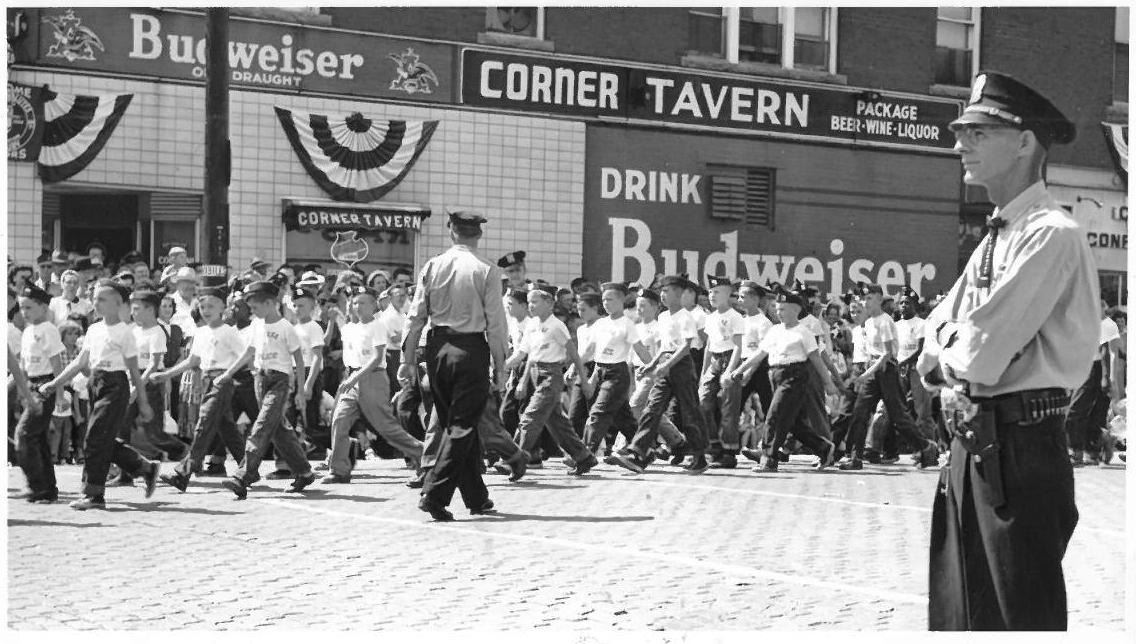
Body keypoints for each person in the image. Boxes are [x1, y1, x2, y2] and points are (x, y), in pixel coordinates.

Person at [919, 71, 1098, 630]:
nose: (959, 144)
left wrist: (950, 347)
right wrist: (951, 345)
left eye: (977, 132)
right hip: (975, 441)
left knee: (1018, 613)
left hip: (1019, 446)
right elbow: (932, 335)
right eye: (960, 131)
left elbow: (978, 353)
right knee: (961, 608)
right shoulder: (1000, 233)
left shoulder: (1049, 233)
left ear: (1024, 142)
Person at [401, 211, 509, 521]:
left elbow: (416, 316)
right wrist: (500, 367)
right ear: (479, 235)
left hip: (437, 350)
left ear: (452, 232)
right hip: (470, 349)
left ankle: (477, 497)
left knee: (457, 424)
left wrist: (408, 359)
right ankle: (435, 495)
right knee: (461, 426)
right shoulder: (487, 269)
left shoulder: (433, 265)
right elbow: (496, 324)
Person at [40, 280, 161, 510]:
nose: (97, 302)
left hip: (115, 385)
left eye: (103, 299)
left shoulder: (125, 332)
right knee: (100, 438)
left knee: (95, 438)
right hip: (95, 384)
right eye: (95, 298)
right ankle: (144, 468)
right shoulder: (94, 329)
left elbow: (134, 370)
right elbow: (80, 362)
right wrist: (55, 383)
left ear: (118, 303)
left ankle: (93, 494)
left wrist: (142, 400)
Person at [216, 281, 316, 499]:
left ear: (270, 303)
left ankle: (244, 475)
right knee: (278, 430)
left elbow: (299, 360)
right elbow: (248, 352)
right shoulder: (256, 326)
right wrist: (228, 373)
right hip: (260, 380)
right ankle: (304, 471)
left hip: (279, 380)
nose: (252, 312)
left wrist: (299, 390)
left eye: (255, 307)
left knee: (261, 427)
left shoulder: (285, 328)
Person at [606, 275, 710, 474]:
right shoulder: (663, 317)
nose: (663, 295)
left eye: (667, 291)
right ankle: (638, 452)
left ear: (680, 294)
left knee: (690, 412)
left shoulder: (685, 317)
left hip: (681, 366)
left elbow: (686, 347)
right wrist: (653, 364)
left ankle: (699, 456)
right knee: (652, 409)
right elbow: (664, 346)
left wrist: (667, 364)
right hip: (665, 365)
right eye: (662, 291)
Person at [730, 285, 837, 472]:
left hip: (795, 376)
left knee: (774, 415)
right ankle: (824, 448)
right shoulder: (775, 330)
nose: (779, 313)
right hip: (776, 375)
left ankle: (768, 458)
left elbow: (816, 359)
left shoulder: (804, 332)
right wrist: (740, 369)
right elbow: (760, 353)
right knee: (792, 422)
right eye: (777, 309)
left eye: (784, 309)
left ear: (796, 310)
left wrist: (828, 383)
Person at [322, 286, 422, 485]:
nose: (357, 306)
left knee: (386, 427)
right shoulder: (350, 328)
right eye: (355, 302)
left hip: (372, 379)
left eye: (363, 302)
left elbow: (377, 358)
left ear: (374, 305)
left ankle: (424, 455)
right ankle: (339, 469)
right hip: (351, 378)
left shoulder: (377, 326)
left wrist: (353, 378)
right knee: (339, 421)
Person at [155, 285, 248, 492]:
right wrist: (166, 374)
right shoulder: (201, 332)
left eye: (212, 306)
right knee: (228, 429)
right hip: (206, 380)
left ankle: (183, 472)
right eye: (203, 306)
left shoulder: (229, 332)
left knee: (204, 423)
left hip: (221, 381)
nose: (206, 310)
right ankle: (249, 467)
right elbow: (192, 361)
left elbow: (245, 357)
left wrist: (228, 375)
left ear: (223, 307)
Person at [839, 284, 938, 470]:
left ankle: (925, 447)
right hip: (873, 369)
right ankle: (855, 457)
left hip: (886, 371)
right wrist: (866, 372)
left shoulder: (884, 321)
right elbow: (872, 354)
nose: (865, 302)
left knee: (899, 416)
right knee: (860, 412)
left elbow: (885, 355)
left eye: (869, 298)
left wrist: (865, 374)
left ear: (878, 299)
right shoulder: (868, 322)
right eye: (863, 299)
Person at [507, 286, 596, 475]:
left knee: (530, 416)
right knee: (556, 423)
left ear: (549, 303)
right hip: (534, 373)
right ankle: (583, 457)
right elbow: (524, 355)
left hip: (551, 375)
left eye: (535, 302)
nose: (531, 306)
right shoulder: (531, 325)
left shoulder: (557, 326)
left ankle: (513, 459)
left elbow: (573, 353)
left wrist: (585, 380)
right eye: (529, 302)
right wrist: (509, 372)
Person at [578, 281, 650, 471]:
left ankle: (586, 453)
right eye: (604, 300)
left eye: (610, 299)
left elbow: (640, 349)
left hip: (617, 373)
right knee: (624, 419)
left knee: (598, 412)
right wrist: (573, 367)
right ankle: (645, 451)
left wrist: (655, 367)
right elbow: (590, 350)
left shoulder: (627, 323)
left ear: (621, 300)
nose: (606, 303)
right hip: (600, 371)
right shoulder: (600, 323)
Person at [14, 285, 65, 502]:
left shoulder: (48, 329)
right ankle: (47, 488)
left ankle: (37, 486)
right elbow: (24, 366)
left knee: (24, 434)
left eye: (29, 307)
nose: (24, 312)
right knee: (38, 438)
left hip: (46, 386)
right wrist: (21, 391)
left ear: (43, 307)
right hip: (31, 386)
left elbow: (57, 363)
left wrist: (60, 393)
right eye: (22, 307)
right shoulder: (27, 331)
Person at [1064, 299, 1124, 466]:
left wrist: (1109, 378)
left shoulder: (1107, 324)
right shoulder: (1085, 323)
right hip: (1084, 368)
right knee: (1093, 413)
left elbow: (1111, 354)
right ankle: (1095, 449)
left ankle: (1075, 451)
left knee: (1075, 412)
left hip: (1097, 370)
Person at [699, 276, 745, 468]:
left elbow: (738, 346)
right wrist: (703, 373)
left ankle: (729, 453)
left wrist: (730, 371)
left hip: (729, 360)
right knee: (703, 402)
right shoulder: (710, 317)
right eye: (710, 292)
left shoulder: (735, 316)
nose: (712, 295)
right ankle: (713, 446)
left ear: (727, 294)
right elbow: (709, 345)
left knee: (728, 408)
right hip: (715, 361)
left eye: (717, 292)